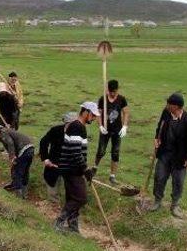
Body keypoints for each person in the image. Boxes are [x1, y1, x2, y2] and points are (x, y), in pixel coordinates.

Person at [149, 93, 187, 218]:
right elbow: (159, 126)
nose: (167, 105)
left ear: (176, 106)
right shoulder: (165, 113)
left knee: (178, 182)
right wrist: (156, 138)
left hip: (180, 157)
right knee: (159, 177)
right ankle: (157, 201)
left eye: (169, 104)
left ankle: (175, 205)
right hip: (165, 153)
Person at [54, 102, 100, 234]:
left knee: (72, 197)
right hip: (71, 169)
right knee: (81, 198)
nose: (94, 118)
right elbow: (75, 152)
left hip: (73, 168)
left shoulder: (79, 127)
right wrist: (85, 169)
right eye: (93, 115)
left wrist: (85, 169)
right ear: (86, 112)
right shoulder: (77, 127)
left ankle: (73, 226)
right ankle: (59, 221)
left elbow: (78, 151)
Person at [94, 79, 130, 184]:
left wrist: (125, 126)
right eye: (111, 92)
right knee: (101, 151)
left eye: (114, 92)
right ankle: (95, 167)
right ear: (108, 90)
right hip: (105, 130)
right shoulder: (103, 99)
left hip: (117, 131)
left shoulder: (121, 99)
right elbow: (98, 113)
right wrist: (100, 126)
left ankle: (112, 175)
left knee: (115, 152)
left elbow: (126, 112)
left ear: (117, 90)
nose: (113, 94)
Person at [39, 111, 78, 202]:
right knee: (52, 182)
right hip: (53, 163)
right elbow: (43, 142)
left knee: (70, 186)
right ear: (67, 123)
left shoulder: (77, 134)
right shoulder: (56, 130)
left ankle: (67, 205)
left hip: (68, 164)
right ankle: (53, 205)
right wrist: (45, 159)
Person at [0, 125, 34, 199]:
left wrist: (12, 157)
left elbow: (10, 143)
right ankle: (24, 193)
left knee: (17, 171)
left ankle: (18, 195)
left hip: (23, 150)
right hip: (31, 149)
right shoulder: (10, 131)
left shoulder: (4, 133)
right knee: (25, 171)